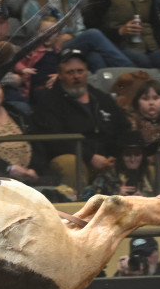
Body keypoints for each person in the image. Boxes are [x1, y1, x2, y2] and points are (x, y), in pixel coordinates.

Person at [31, 48, 126, 196]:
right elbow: (56, 141)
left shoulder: (101, 98)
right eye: (70, 72)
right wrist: (90, 157)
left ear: (87, 72)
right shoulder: (49, 102)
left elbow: (123, 127)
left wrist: (116, 155)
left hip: (108, 158)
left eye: (80, 71)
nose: (76, 76)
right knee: (70, 163)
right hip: (74, 158)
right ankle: (75, 210)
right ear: (60, 75)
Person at [17, 0, 130, 72]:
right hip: (48, 52)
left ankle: (106, 86)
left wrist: (69, 37)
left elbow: (80, 29)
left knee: (94, 57)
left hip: (71, 45)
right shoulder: (31, 6)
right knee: (93, 34)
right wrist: (58, 39)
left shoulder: (71, 2)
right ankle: (129, 70)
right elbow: (34, 38)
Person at [0, 81, 40, 184]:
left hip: (30, 173)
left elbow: (37, 143)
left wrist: (34, 169)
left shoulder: (18, 114)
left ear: (3, 92)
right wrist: (9, 168)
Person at [83, 129, 158, 198]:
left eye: (137, 154)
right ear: (121, 156)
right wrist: (116, 195)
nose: (132, 159)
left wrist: (144, 199)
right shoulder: (107, 176)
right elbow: (91, 199)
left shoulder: (150, 175)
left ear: (143, 156)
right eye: (128, 155)